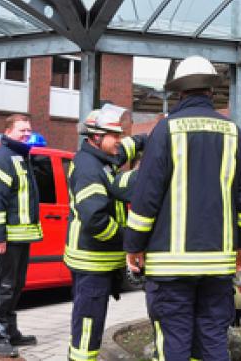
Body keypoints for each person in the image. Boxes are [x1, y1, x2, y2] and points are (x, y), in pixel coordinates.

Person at [124, 55, 241, 361]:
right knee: (213, 341)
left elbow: (147, 197)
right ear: (211, 90)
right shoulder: (233, 132)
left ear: (179, 92)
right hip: (217, 264)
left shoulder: (166, 130)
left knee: (176, 343)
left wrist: (134, 245)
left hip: (170, 266)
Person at [64, 104, 145, 361]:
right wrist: (129, 237)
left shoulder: (101, 159)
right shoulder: (89, 169)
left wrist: (149, 139)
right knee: (88, 327)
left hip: (97, 261)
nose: (119, 142)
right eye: (115, 137)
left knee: (90, 323)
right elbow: (96, 221)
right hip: (92, 262)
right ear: (96, 138)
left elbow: (125, 149)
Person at [0, 114, 41, 358]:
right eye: (21, 130)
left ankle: (10, 332)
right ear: (7, 131)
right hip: (6, 239)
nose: (26, 133)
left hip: (19, 237)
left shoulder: (19, 157)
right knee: (3, 287)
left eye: (28, 129)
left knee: (14, 287)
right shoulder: (1, 158)